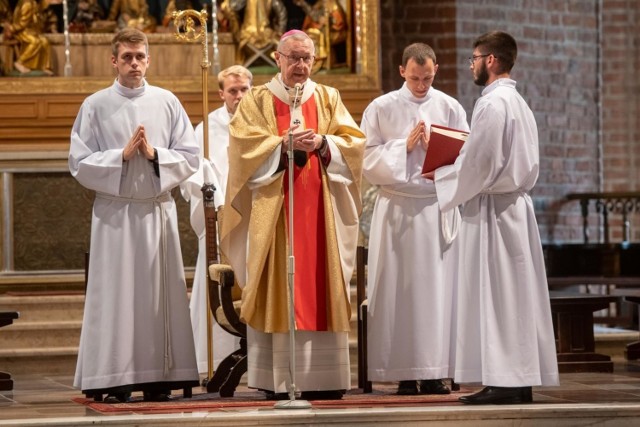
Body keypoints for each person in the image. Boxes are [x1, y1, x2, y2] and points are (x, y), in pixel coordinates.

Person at [219, 29, 365, 400]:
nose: (300, 65)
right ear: (277, 57)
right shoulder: (257, 100)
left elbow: (355, 143)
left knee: (320, 280)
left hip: (321, 212)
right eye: (293, 57)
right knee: (278, 282)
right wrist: (279, 146)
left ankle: (325, 379)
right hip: (276, 216)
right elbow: (242, 148)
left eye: (306, 59)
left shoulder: (329, 97)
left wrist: (323, 143)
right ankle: (277, 379)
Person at [424, 31, 559, 404]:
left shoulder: (492, 104)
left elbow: (480, 163)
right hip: (511, 209)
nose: (471, 64)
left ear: (492, 60)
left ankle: (505, 381)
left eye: (474, 58)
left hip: (495, 213)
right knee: (513, 299)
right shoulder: (517, 103)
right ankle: (515, 379)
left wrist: (442, 173)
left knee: (498, 297)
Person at [69, 28, 200, 403]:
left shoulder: (167, 101)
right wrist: (120, 157)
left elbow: (190, 156)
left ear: (149, 59)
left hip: (157, 212)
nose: (134, 63)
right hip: (115, 215)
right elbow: (78, 162)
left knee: (158, 297)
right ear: (113, 60)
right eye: (127, 57)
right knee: (116, 297)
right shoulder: (95, 105)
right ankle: (112, 378)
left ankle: (160, 377)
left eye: (140, 56)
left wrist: (156, 154)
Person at [361, 43, 469, 396]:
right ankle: (404, 372)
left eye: (427, 77)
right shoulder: (382, 107)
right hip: (398, 210)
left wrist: (440, 151)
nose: (421, 84)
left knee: (438, 292)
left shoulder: (450, 106)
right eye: (415, 77)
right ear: (401, 70)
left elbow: (466, 154)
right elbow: (364, 158)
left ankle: (437, 371)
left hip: (435, 206)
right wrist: (403, 148)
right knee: (399, 292)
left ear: (436, 69)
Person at [181, 64, 253, 379]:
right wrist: (216, 206)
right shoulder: (206, 129)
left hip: (255, 221)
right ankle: (211, 360)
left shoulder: (261, 122)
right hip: (220, 221)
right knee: (216, 286)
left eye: (244, 90)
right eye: (232, 91)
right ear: (221, 93)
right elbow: (193, 174)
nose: (238, 96)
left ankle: (259, 361)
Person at [8, 0, 53, 75]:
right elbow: (22, 23)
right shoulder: (27, 4)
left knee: (45, 41)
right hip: (21, 31)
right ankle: (20, 62)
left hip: (32, 30)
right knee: (35, 41)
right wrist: (12, 28)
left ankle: (45, 66)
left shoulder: (34, 3)